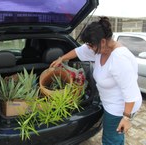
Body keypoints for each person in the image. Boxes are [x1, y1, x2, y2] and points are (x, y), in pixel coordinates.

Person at [50, 17, 142, 145]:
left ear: (103, 41)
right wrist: (61, 59)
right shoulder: (100, 50)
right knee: (115, 138)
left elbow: (131, 92)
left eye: (91, 45)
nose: (90, 48)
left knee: (111, 140)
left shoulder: (120, 59)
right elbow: (79, 51)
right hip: (110, 102)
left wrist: (126, 118)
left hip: (119, 108)